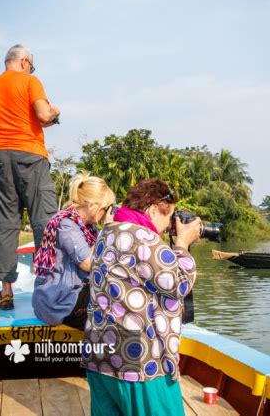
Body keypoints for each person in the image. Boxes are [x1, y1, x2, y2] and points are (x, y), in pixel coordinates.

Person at [81, 178, 200, 416]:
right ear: (153, 210)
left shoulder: (107, 232)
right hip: (138, 360)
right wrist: (183, 245)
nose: (169, 226)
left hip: (100, 352)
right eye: (169, 218)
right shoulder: (143, 237)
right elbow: (177, 284)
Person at [0, 44, 60, 310]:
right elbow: (42, 114)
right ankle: (49, 290)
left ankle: (5, 292)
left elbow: (2, 120)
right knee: (44, 220)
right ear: (25, 61)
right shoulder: (30, 81)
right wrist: (54, 112)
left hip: (0, 156)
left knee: (5, 223)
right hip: (29, 154)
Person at [32, 172, 115, 330]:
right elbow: (88, 263)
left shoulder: (87, 227)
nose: (106, 213)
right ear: (92, 205)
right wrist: (106, 230)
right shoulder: (66, 224)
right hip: (59, 302)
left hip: (71, 292)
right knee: (115, 317)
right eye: (105, 208)